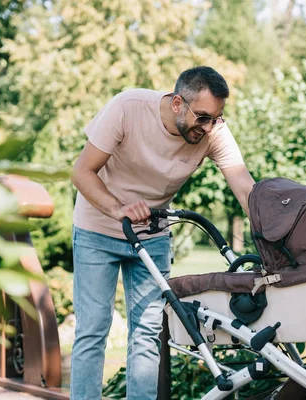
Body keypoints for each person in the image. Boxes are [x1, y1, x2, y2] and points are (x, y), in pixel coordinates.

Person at [70, 66, 255, 399]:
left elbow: (244, 187)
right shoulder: (128, 108)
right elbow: (82, 172)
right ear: (176, 104)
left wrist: (273, 226)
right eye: (202, 117)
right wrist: (117, 209)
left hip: (151, 236)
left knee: (147, 332)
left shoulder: (212, 131)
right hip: (98, 228)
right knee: (93, 329)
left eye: (216, 118)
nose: (209, 126)